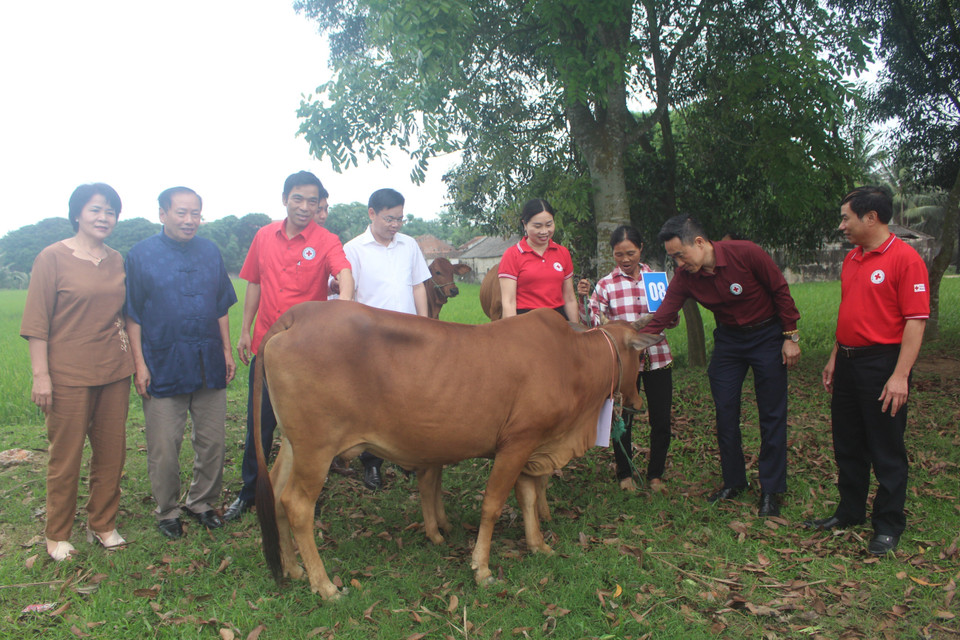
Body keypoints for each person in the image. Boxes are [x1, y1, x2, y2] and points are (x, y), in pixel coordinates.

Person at [641, 215, 801, 517]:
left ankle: (771, 489)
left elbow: (779, 289)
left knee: (771, 413)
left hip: (767, 335)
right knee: (725, 411)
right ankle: (734, 481)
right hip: (730, 341)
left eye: (680, 254)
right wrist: (631, 346)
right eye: (672, 257)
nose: (678, 262)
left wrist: (790, 335)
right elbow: (663, 315)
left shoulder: (746, 253)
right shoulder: (686, 276)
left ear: (699, 243)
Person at [805, 186, 929, 555]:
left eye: (846, 217)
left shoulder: (905, 259)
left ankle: (888, 524)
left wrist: (900, 375)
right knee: (848, 442)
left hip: (882, 363)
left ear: (870, 217)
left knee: (885, 446)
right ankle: (850, 511)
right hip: (847, 360)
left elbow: (916, 321)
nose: (841, 225)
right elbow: (851, 311)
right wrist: (834, 355)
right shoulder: (853, 259)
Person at [224, 171, 354, 521]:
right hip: (267, 347)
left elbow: (343, 273)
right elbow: (253, 283)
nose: (305, 207)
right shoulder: (265, 236)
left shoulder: (327, 240)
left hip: (307, 354)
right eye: (298, 198)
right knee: (260, 423)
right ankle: (250, 491)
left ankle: (304, 489)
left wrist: (343, 306)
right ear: (285, 199)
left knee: (307, 426)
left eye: (313, 201)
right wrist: (244, 331)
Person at [20, 183, 135, 561]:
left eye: (111, 212)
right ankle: (57, 533)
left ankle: (102, 523)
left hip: (114, 371)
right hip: (67, 374)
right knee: (65, 457)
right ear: (77, 214)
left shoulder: (117, 260)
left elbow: (123, 315)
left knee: (111, 454)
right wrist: (42, 376)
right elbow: (37, 323)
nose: (104, 218)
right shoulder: (52, 258)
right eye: (96, 210)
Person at [125, 187, 238, 539]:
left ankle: (202, 502)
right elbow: (132, 315)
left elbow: (220, 306)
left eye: (196, 214)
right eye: (181, 213)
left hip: (208, 360)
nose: (190, 221)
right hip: (163, 361)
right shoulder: (140, 255)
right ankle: (167, 510)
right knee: (164, 446)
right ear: (162, 214)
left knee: (213, 441)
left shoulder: (209, 251)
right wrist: (139, 365)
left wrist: (226, 350)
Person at [343, 188, 431, 490]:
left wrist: (425, 325)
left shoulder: (409, 245)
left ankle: (410, 456)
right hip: (372, 338)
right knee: (374, 401)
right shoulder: (353, 249)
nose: (395, 225)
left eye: (400, 219)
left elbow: (418, 286)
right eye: (389, 218)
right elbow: (350, 295)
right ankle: (372, 464)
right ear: (372, 213)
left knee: (410, 395)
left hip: (408, 334)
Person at [578, 225, 674, 493]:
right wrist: (582, 299)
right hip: (621, 363)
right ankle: (625, 474)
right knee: (622, 418)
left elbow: (670, 317)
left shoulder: (655, 279)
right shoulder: (606, 285)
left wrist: (670, 316)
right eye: (619, 254)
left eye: (630, 253)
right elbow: (592, 321)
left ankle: (656, 475)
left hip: (657, 357)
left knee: (661, 420)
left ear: (641, 248)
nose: (625, 259)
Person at [498, 198, 579, 321]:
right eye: (537, 226)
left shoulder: (562, 253)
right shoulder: (512, 255)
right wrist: (513, 334)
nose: (544, 231)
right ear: (525, 224)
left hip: (558, 321)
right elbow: (509, 302)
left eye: (549, 225)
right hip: (526, 322)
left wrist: (575, 331)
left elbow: (569, 298)